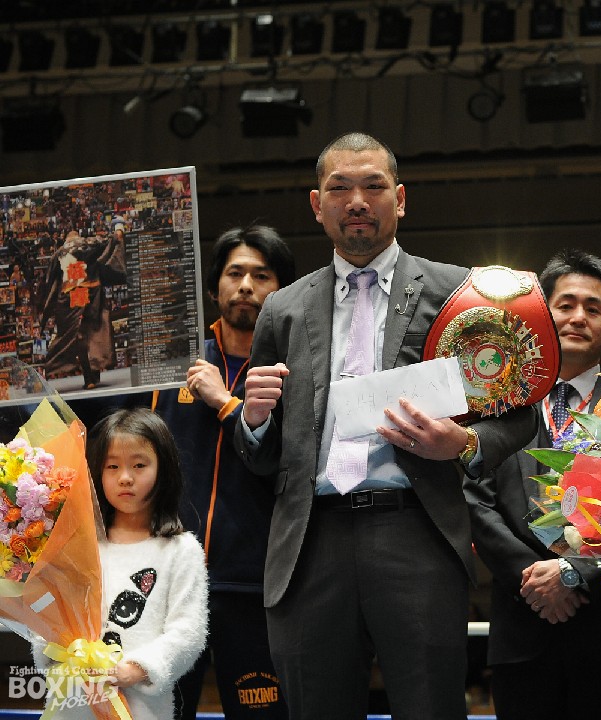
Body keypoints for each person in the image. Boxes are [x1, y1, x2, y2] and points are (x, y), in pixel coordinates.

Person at [234, 132, 539, 719]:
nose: (356, 201)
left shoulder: (458, 291)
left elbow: (518, 408)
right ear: (316, 204)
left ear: (400, 199)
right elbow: (264, 457)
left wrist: (465, 442)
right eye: (339, 188)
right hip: (310, 540)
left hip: (416, 531)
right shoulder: (283, 309)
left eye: (373, 186)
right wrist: (253, 420)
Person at [465, 249, 601, 720]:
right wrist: (533, 577)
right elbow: (474, 501)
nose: (578, 317)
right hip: (523, 627)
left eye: (593, 308)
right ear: (541, 318)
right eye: (565, 305)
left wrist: (575, 574)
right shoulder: (500, 399)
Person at [156, 225, 294, 720]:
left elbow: (286, 461)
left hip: (257, 587)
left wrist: (223, 401)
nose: (246, 286)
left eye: (262, 275)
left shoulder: (297, 369)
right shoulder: (169, 364)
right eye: (235, 274)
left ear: (283, 291)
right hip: (167, 584)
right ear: (215, 287)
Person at [36, 408, 208, 720]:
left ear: (163, 469)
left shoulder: (180, 550)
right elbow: (46, 614)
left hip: (141, 708)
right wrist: (62, 652)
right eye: (112, 466)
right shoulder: (77, 544)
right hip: (72, 703)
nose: (125, 477)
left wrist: (136, 669)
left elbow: (189, 631)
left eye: (139, 465)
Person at [40, 227, 126, 389]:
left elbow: (49, 282)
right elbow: (107, 241)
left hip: (71, 296)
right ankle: (92, 373)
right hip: (91, 294)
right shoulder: (87, 243)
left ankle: (90, 375)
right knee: (93, 331)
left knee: (79, 335)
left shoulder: (59, 253)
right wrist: (117, 234)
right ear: (77, 237)